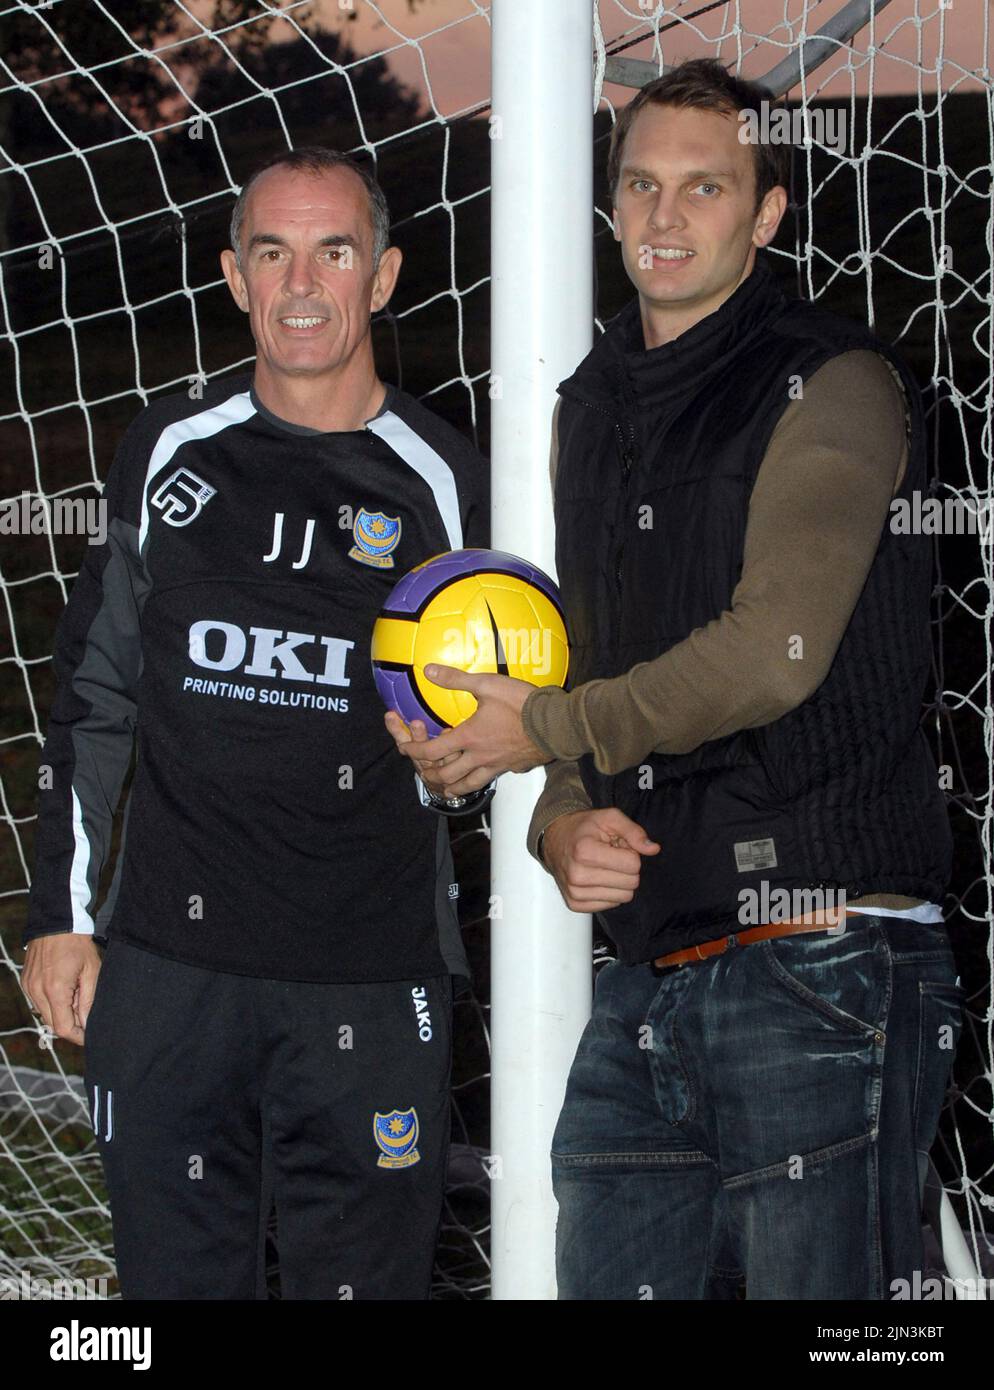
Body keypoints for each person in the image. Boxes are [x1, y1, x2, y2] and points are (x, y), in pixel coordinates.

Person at [390, 60, 963, 1299]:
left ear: (765, 213)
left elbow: (777, 651)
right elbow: (597, 660)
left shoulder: (836, 382)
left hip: (822, 953)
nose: (663, 217)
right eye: (641, 184)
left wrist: (537, 729)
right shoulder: (587, 407)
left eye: (705, 188)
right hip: (652, 975)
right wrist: (554, 819)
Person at [21, 146, 490, 1300]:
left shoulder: (445, 481)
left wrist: (451, 769)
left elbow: (490, 738)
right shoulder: (169, 452)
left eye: (332, 251)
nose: (299, 284)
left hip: (370, 980)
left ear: (380, 277)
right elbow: (93, 696)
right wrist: (62, 919)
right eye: (271, 252)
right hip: (174, 979)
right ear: (234, 275)